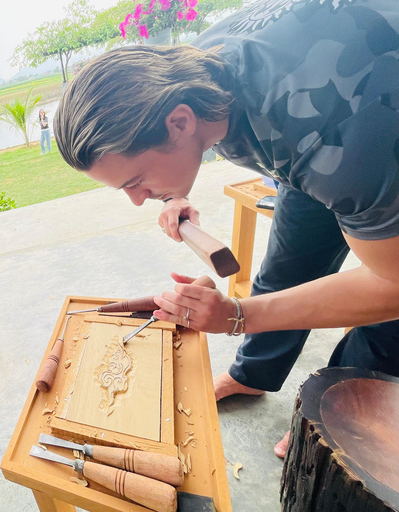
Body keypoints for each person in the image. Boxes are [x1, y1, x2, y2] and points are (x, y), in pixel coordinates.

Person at [54, 0, 399, 457]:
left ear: (178, 122)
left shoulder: (335, 138)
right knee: (286, 268)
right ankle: (253, 375)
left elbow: (390, 285)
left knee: (384, 324)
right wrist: (171, 192)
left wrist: (237, 316)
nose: (137, 200)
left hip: (368, 117)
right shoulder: (200, 71)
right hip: (319, 139)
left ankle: (343, 415)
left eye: (136, 182)